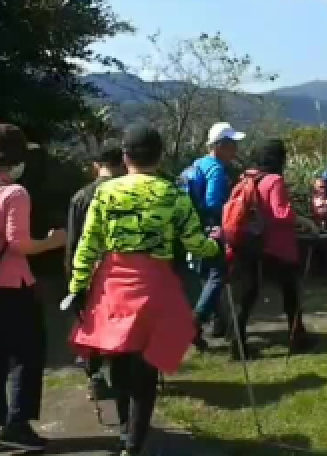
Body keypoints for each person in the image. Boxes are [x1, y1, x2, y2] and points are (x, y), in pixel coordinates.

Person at [68, 124, 221, 456]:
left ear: (125, 157)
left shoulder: (105, 193)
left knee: (119, 360)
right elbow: (195, 243)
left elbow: (88, 245)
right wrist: (216, 246)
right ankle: (135, 443)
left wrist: (77, 287)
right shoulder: (173, 194)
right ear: (160, 156)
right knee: (147, 367)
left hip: (113, 284)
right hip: (155, 285)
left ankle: (126, 432)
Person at [0, 124, 67, 452]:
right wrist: (53, 241)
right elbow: (19, 244)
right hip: (12, 288)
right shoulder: (14, 193)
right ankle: (18, 425)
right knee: (28, 354)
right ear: (15, 158)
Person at [232, 138, 319, 360]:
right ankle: (297, 337)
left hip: (250, 245)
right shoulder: (274, 180)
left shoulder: (248, 177)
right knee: (291, 292)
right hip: (276, 248)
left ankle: (237, 343)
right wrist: (304, 221)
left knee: (247, 296)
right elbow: (281, 213)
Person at [65, 139, 125, 401]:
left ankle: (95, 376)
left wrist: (73, 281)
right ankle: (123, 376)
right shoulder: (128, 192)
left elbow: (73, 243)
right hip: (121, 271)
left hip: (89, 269)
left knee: (90, 324)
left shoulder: (81, 197)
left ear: (96, 165)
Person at [188, 122, 245, 346]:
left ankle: (216, 324)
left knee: (207, 276)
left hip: (193, 229)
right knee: (218, 274)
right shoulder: (216, 169)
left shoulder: (197, 164)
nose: (235, 150)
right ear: (219, 145)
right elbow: (214, 203)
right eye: (232, 144)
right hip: (211, 229)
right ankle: (195, 322)